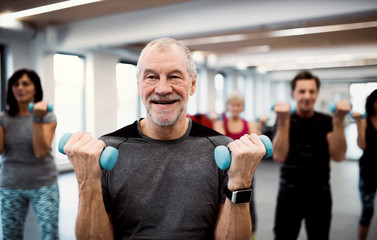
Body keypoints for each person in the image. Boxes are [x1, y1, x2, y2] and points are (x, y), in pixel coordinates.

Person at [62, 38, 268, 239]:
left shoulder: (222, 150)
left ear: (193, 84)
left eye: (175, 77)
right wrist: (87, 182)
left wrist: (241, 181)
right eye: (151, 77)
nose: (162, 89)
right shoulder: (107, 151)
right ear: (139, 85)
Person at [271, 70, 351, 240]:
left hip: (319, 195)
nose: (307, 96)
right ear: (293, 94)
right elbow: (279, 156)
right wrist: (284, 121)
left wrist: (338, 121)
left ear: (317, 94)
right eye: (302, 91)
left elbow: (339, 155)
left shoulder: (327, 121)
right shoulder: (284, 120)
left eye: (312, 91)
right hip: (289, 194)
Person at [0, 69, 59, 240]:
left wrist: (36, 119)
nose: (20, 88)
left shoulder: (47, 116)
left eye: (25, 84)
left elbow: (40, 151)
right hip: (10, 185)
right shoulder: (4, 118)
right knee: (10, 236)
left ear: (35, 89)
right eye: (16, 84)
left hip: (44, 184)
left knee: (50, 235)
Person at [213, 91, 261, 239]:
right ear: (228, 106)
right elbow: (222, 142)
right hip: (225, 171)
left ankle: (251, 234)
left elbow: (256, 144)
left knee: (248, 203)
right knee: (223, 202)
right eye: (232, 105)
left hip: (246, 169)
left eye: (238, 105)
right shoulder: (221, 123)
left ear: (242, 107)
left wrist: (262, 124)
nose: (235, 108)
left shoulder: (249, 124)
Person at [352, 88, 377, 240]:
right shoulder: (365, 122)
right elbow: (362, 145)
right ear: (372, 103)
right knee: (367, 210)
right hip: (368, 171)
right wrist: (359, 123)